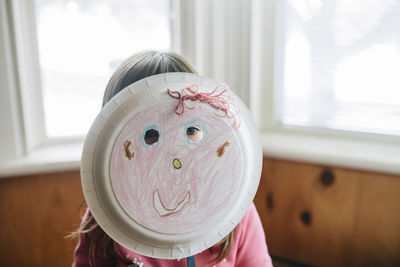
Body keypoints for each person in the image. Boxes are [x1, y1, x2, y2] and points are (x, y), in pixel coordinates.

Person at [71, 51, 273, 267]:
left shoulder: (234, 211)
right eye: (150, 135)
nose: (174, 154)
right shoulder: (104, 218)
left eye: (190, 131)